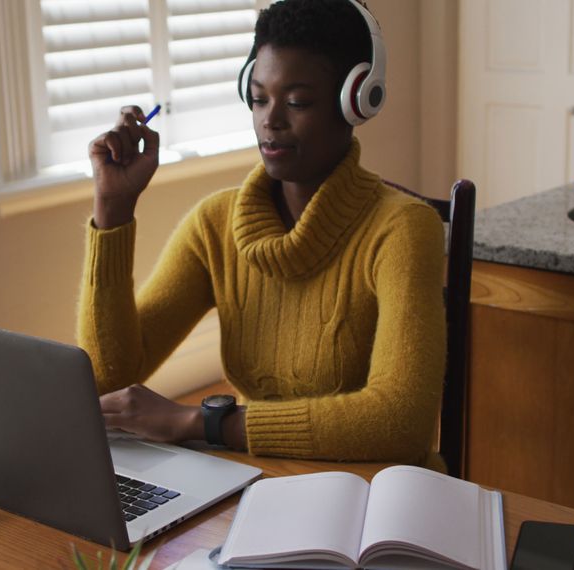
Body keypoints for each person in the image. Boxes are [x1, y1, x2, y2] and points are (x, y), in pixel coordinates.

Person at [78, 0, 446, 467]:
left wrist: (204, 423)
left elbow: (401, 423)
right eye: (258, 98)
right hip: (256, 480)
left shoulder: (402, 230)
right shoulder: (214, 225)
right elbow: (106, 379)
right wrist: (112, 209)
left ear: (356, 101)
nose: (270, 119)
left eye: (297, 102)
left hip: (371, 502)